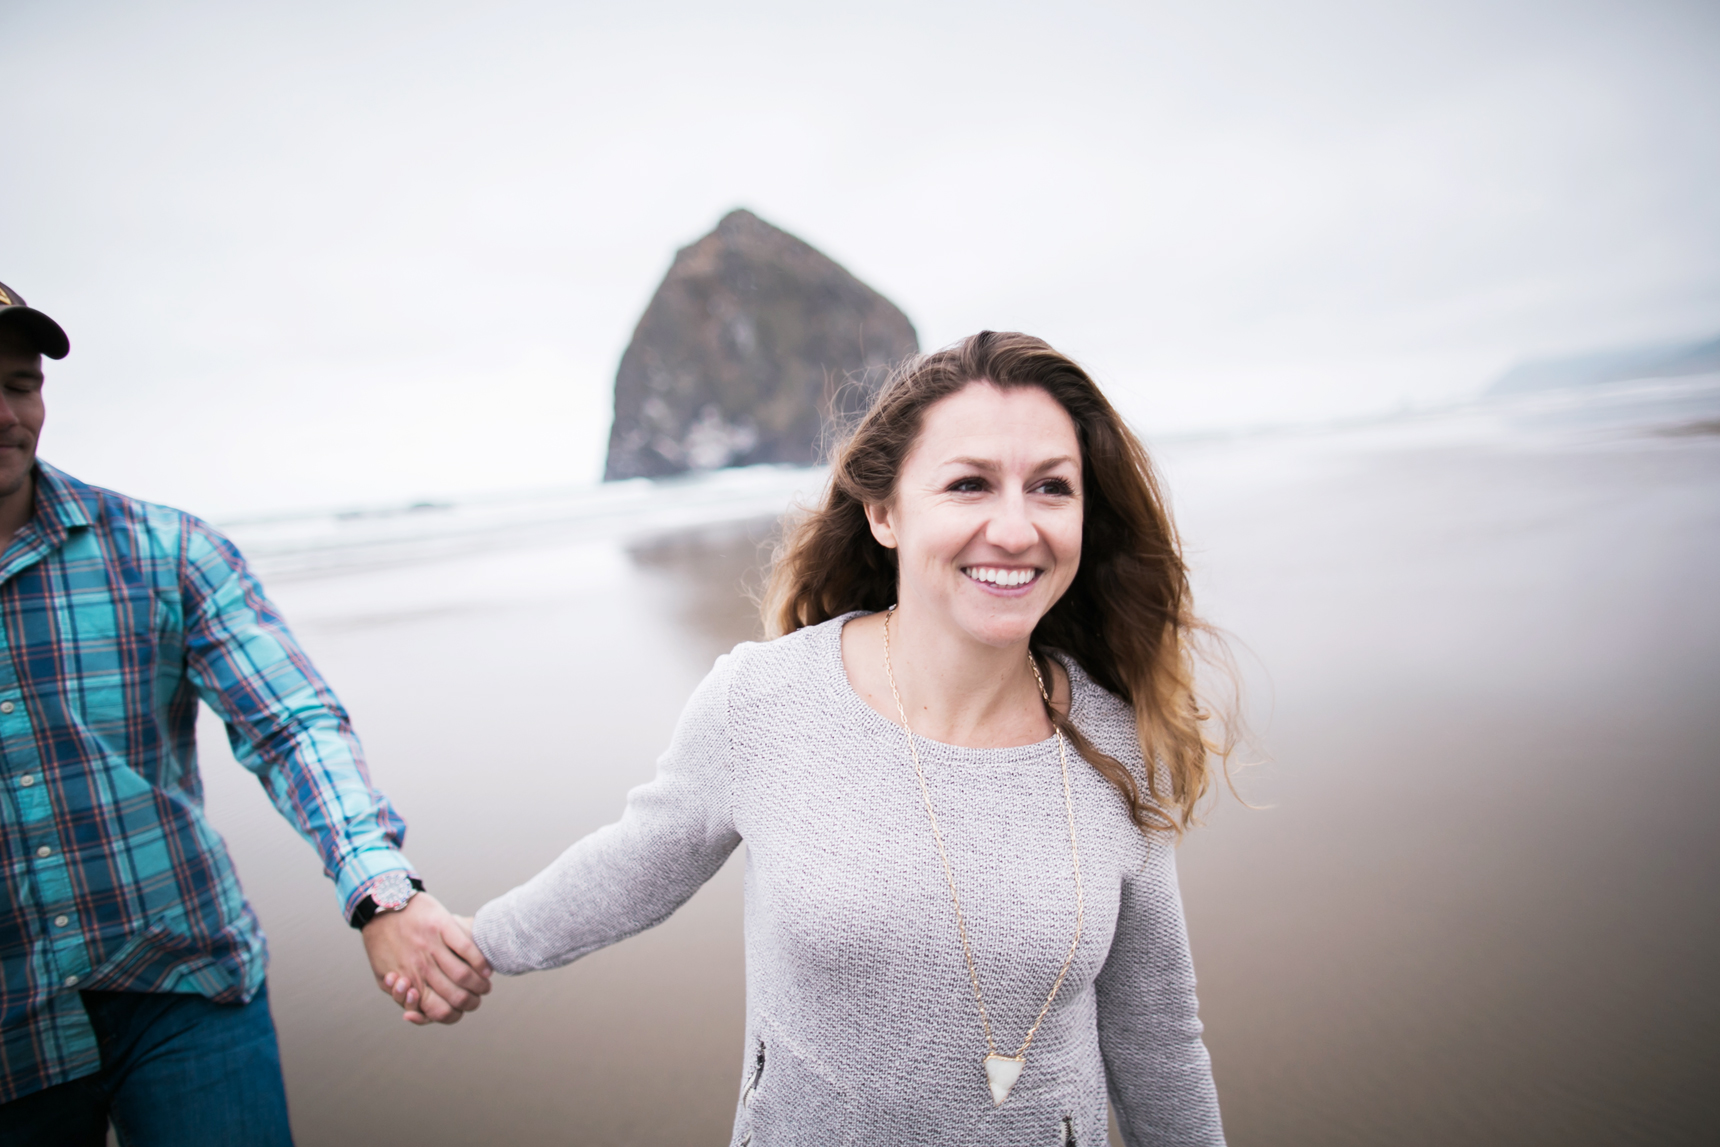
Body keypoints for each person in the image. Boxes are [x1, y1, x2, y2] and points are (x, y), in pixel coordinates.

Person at [454, 331, 1231, 1145]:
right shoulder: (764, 701)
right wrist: (476, 942)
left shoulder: (1113, 738)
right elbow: (634, 863)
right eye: (968, 484)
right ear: (885, 511)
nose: (1014, 527)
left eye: (1051, 488)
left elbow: (1159, 1042)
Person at [0, 281, 493, 1147]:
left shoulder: (164, 549)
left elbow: (293, 725)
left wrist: (380, 892)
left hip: (184, 983)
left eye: (18, 384)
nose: (8, 412)